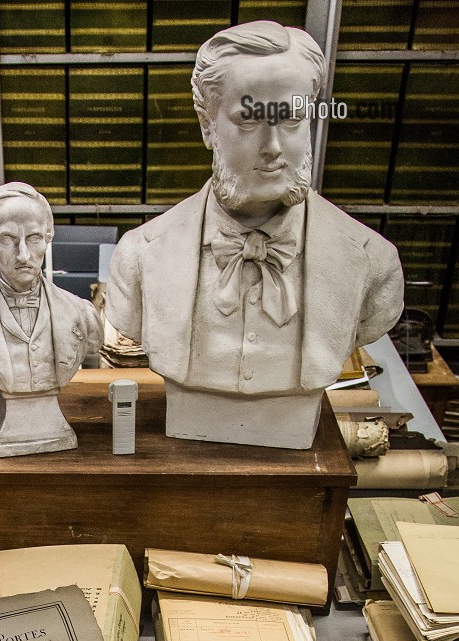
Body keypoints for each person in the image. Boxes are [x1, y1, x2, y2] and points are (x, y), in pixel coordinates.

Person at [105, 20, 403, 447]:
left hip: (298, 433)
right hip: (185, 433)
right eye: (249, 121)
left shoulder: (372, 261)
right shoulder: (140, 255)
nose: (274, 147)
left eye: (293, 119)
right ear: (207, 126)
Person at [0, 181, 103, 455]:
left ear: (49, 238)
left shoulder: (82, 315)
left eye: (35, 238)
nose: (24, 255)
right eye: (7, 240)